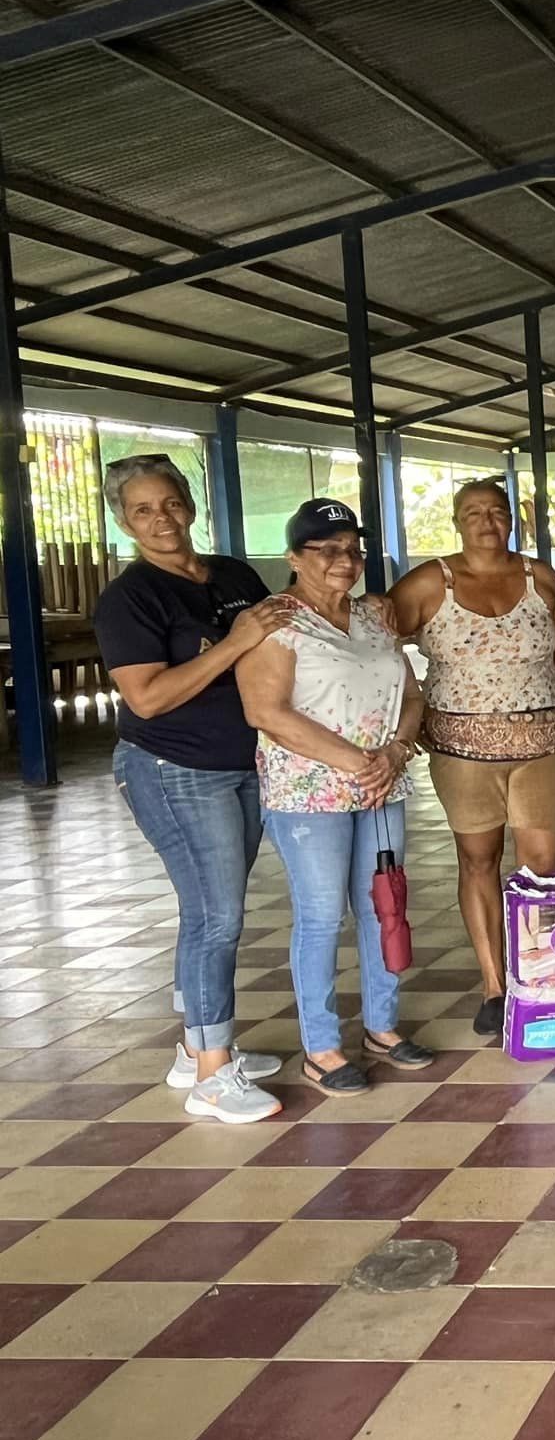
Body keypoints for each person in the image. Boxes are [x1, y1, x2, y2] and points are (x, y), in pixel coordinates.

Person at [95, 454, 291, 1123]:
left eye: (172, 502)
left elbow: (279, 643)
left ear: (191, 504)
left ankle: (195, 1047)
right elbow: (147, 698)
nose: (163, 519)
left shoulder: (233, 574)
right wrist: (234, 643)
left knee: (210, 908)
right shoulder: (130, 597)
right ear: (124, 521)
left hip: (245, 762)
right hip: (172, 768)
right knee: (217, 915)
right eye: (144, 509)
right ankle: (213, 1072)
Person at [236, 500, 435, 1096]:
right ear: (294, 558)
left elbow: (413, 696)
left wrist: (395, 752)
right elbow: (264, 711)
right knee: (322, 916)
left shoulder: (375, 620)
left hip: (381, 786)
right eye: (326, 550)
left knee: (383, 906)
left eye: (352, 549)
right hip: (307, 794)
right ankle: (321, 1046)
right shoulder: (274, 623)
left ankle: (382, 1026)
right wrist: (356, 762)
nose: (343, 560)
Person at [391, 478, 555, 1037]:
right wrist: (410, 702)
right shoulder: (432, 580)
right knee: (479, 860)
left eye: (497, 511)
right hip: (462, 750)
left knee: (543, 865)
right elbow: (377, 638)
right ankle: (495, 985)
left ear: (510, 520)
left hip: (540, 744)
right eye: (473, 512)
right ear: (456, 521)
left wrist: (526, 686)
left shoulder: (536, 575)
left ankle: (540, 976)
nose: (487, 521)